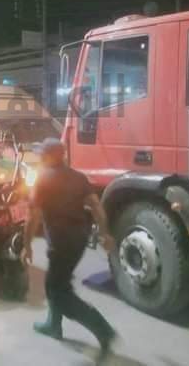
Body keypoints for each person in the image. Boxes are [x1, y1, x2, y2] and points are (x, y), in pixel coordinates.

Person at [21, 138, 117, 364]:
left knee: (57, 291)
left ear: (49, 156)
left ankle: (103, 330)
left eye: (42, 154)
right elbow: (96, 207)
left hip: (61, 242)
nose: (40, 158)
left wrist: (27, 246)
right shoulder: (78, 177)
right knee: (58, 281)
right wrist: (105, 234)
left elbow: (32, 217)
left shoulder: (43, 179)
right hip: (79, 240)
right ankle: (53, 325)